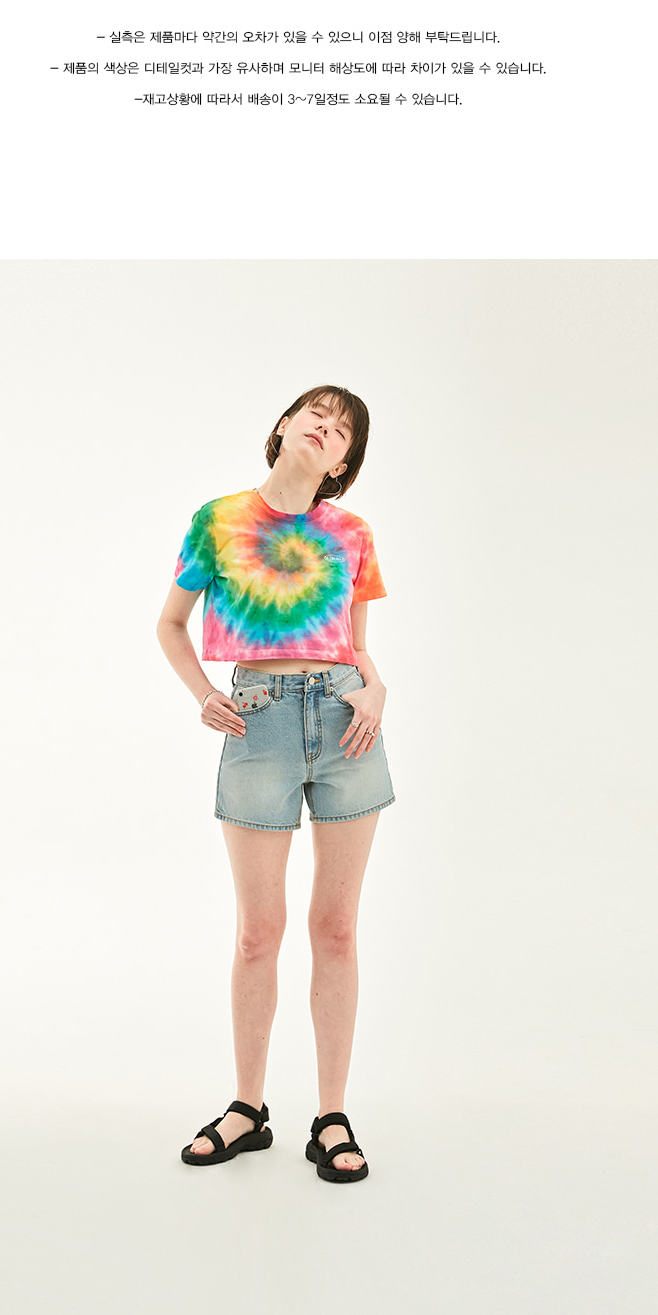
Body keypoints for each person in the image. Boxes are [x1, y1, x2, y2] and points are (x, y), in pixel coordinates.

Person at [158, 374, 393, 1179]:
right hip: (256, 720)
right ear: (286, 424)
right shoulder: (219, 520)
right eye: (316, 414)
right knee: (259, 931)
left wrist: (378, 688)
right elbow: (170, 623)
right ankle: (248, 1108)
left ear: (342, 464)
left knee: (337, 928)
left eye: (342, 430)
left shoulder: (352, 533)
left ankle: (332, 1116)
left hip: (345, 721)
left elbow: (357, 647)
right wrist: (203, 694)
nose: (326, 427)